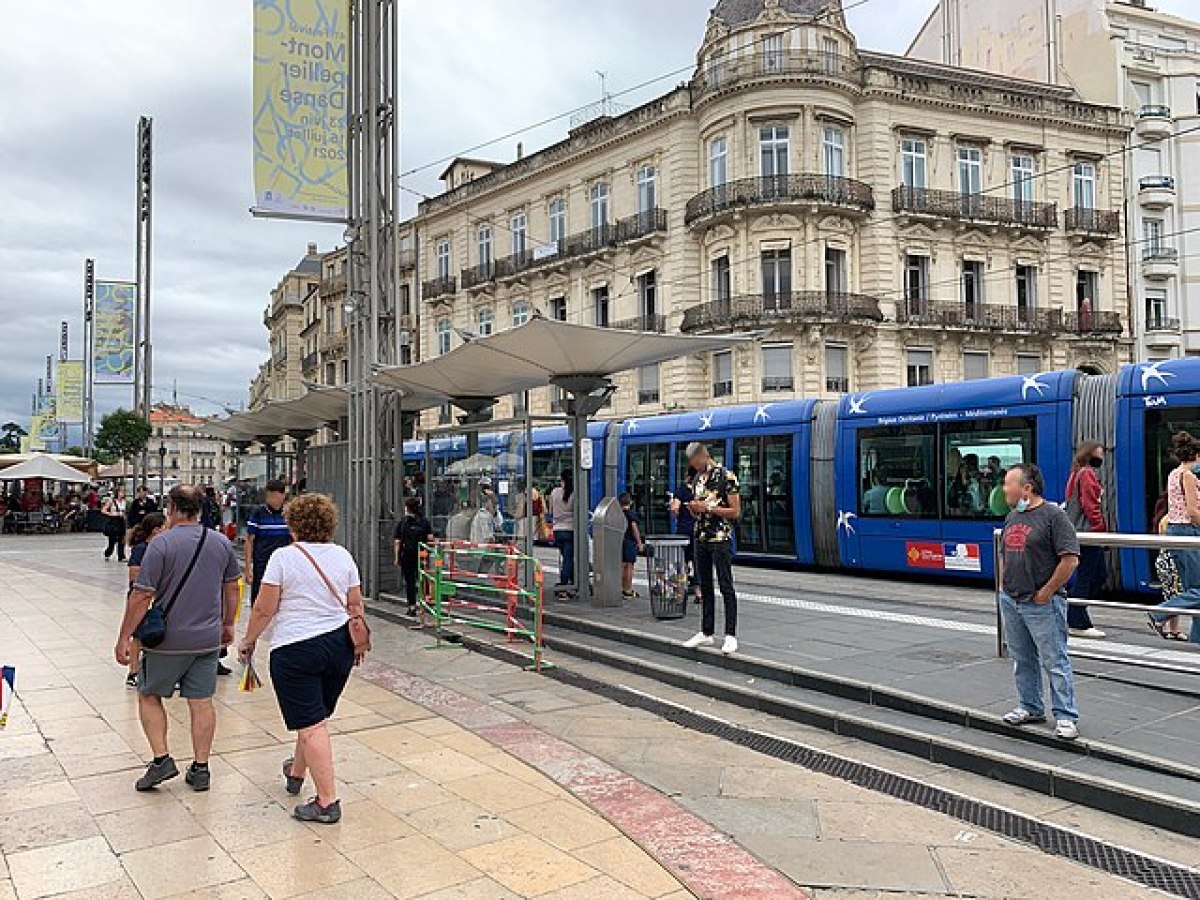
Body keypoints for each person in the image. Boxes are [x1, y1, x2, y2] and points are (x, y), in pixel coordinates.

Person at [238, 493, 365, 824]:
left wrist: (249, 640)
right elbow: (355, 605)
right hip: (340, 646)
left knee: (310, 726)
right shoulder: (343, 556)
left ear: (292, 524)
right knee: (315, 718)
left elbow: (265, 608)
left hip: (296, 649)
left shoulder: (283, 558)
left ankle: (326, 801)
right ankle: (295, 774)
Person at [115, 485, 241, 792]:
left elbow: (141, 596)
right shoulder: (220, 542)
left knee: (148, 694)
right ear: (200, 509)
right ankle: (201, 768)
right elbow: (232, 588)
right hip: (208, 638)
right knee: (201, 702)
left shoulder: (161, 545)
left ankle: (161, 760)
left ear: (170, 507)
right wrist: (227, 624)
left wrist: (124, 637)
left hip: (167, 641)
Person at [998, 463, 1081, 741]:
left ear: (1027, 488)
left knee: (1054, 659)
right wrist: (1003, 586)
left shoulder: (1054, 516)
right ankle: (1030, 706)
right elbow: (1004, 552)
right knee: (1022, 658)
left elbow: (1070, 558)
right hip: (1012, 599)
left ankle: (1066, 716)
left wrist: (1047, 591)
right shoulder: (1012, 517)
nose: (1004, 488)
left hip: (1042, 603)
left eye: (1008, 483)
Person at [682, 442, 741, 655]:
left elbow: (735, 511)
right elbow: (701, 510)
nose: (693, 466)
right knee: (705, 585)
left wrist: (707, 507)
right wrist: (694, 510)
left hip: (720, 537)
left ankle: (730, 635)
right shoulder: (698, 479)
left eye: (694, 461)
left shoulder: (727, 477)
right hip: (701, 537)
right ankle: (706, 632)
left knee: (726, 585)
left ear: (703, 456)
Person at [1063, 441, 1108, 639]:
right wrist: (1100, 529)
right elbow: (1090, 505)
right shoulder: (1088, 473)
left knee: (1096, 575)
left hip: (1079, 532)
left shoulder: (1077, 472)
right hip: (1088, 533)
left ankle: (1073, 614)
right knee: (1090, 576)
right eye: (1099, 453)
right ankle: (1076, 620)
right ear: (1089, 454)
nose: (1102, 457)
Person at [124, 512, 167, 688]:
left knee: (157, 632)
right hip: (142, 596)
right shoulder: (141, 548)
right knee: (139, 635)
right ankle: (133, 671)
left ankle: (156, 670)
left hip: (158, 596)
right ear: (156, 530)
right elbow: (134, 574)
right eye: (165, 527)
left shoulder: (164, 547)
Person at [245, 480, 292, 604]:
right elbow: (249, 540)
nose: (271, 500)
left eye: (274, 496)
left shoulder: (289, 513)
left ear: (282, 496)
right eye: (269, 496)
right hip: (262, 562)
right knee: (259, 596)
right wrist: (248, 567)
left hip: (284, 563)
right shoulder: (258, 513)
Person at [394, 497, 432, 615]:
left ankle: (412, 606)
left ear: (407, 508)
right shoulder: (424, 521)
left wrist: (396, 557)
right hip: (422, 555)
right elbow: (430, 539)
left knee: (409, 581)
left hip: (407, 555)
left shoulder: (403, 522)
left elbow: (397, 542)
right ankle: (425, 603)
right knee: (423, 578)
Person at [669, 467, 700, 604]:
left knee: (681, 562)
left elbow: (674, 508)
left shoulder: (681, 491)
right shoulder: (700, 490)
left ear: (687, 476)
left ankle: (679, 593)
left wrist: (678, 514)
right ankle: (699, 592)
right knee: (698, 562)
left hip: (683, 531)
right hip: (698, 531)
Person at [549, 470, 575, 587]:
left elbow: (550, 510)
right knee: (568, 558)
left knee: (565, 557)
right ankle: (565, 582)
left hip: (557, 529)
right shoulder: (574, 493)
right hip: (570, 529)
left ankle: (571, 580)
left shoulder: (554, 492)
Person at [619, 492, 643, 599]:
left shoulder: (618, 514)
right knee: (629, 566)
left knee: (621, 565)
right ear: (630, 502)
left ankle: (619, 588)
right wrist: (639, 542)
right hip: (630, 542)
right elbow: (634, 529)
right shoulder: (631, 514)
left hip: (620, 541)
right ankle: (627, 589)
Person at [102, 487, 128, 561]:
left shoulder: (124, 502)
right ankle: (108, 553)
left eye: (123, 491)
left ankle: (121, 556)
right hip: (114, 521)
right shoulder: (112, 501)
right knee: (112, 541)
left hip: (122, 521)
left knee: (122, 539)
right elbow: (103, 510)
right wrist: (112, 514)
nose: (122, 493)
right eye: (121, 491)